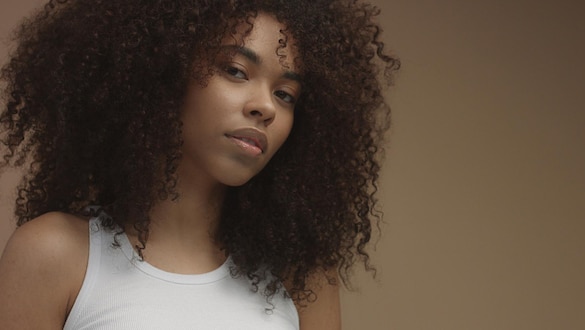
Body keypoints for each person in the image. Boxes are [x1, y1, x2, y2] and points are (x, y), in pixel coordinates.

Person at [0, 0, 399, 329]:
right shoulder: (55, 254)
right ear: (163, 71)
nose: (265, 107)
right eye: (236, 71)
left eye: (285, 94)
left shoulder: (301, 276)